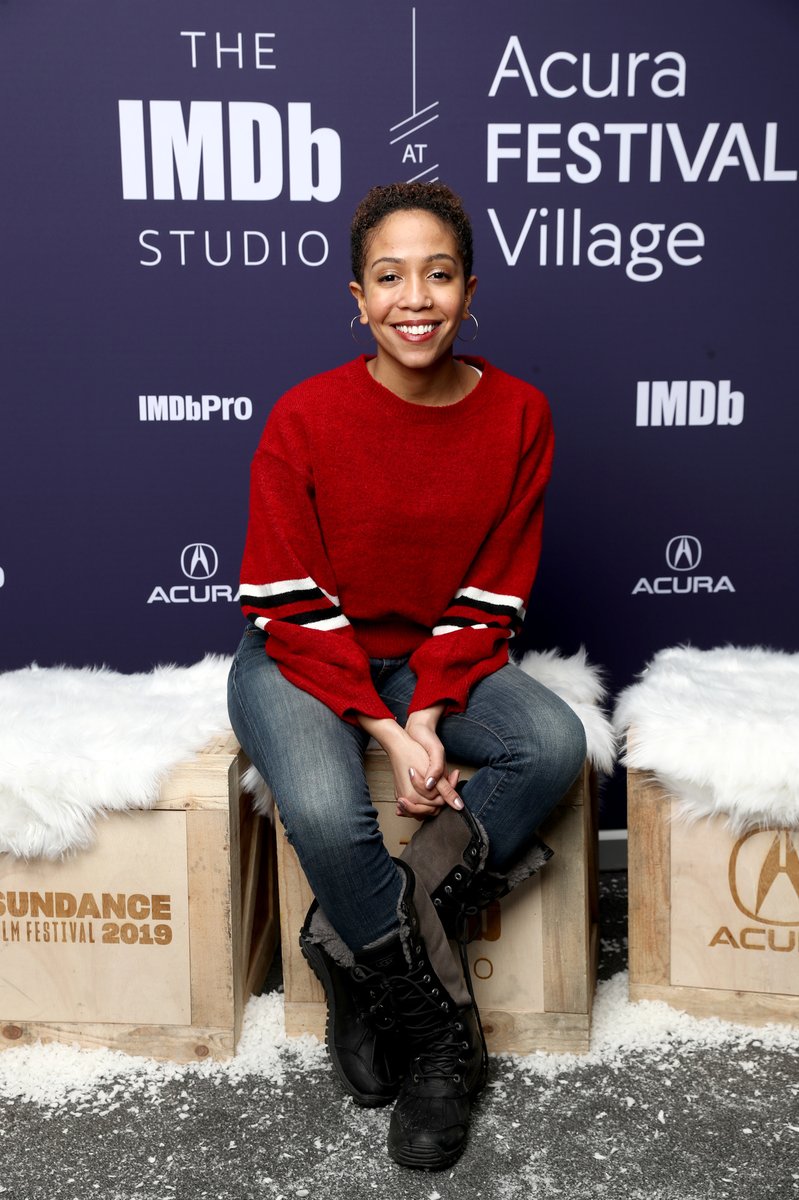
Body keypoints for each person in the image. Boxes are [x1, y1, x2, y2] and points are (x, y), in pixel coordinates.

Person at [227, 181, 586, 1171]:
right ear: (358, 298)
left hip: (432, 654)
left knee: (550, 743)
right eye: (389, 277)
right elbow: (289, 602)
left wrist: (425, 707)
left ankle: (352, 946)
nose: (414, 298)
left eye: (438, 274)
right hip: (302, 654)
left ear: (469, 291)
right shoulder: (305, 416)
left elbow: (494, 586)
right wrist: (389, 734)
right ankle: (435, 1038)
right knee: (325, 807)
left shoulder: (519, 414)